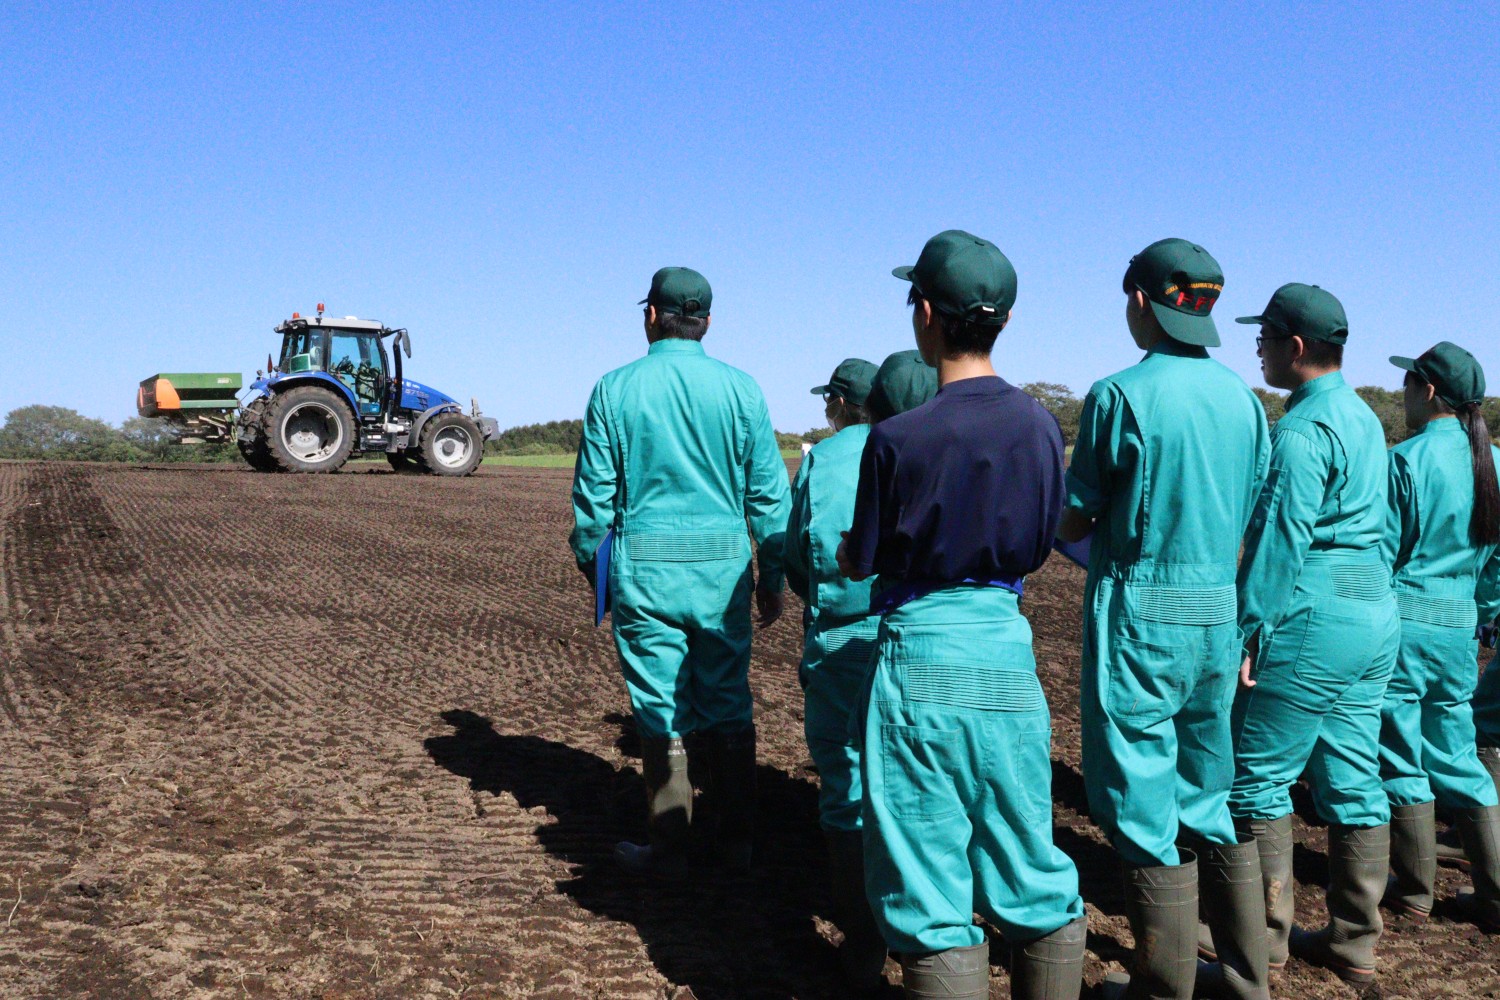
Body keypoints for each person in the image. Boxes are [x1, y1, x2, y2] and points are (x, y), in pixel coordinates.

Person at [838, 230, 1087, 1000]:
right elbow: (1049, 535)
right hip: (1007, 646)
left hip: (921, 650)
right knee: (1028, 857)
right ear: (1003, 322)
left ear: (923, 314)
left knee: (928, 878)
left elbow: (863, 558)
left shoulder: (896, 436)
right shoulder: (1043, 425)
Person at [1058, 239, 1270, 1000]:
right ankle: (1247, 978)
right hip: (1218, 612)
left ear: (1141, 301)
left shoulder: (1120, 395)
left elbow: (1077, 519)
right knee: (1209, 794)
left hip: (1144, 614)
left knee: (1144, 806)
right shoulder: (1246, 401)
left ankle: (1161, 987)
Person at [569, 266, 790, 877]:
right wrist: (771, 577)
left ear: (650, 316)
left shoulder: (614, 388)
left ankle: (670, 849)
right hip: (723, 573)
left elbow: (594, 504)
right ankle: (736, 845)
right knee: (727, 701)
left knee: (659, 706)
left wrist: (601, 575)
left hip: (646, 571)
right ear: (708, 322)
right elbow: (770, 498)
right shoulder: (743, 389)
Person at [1229, 284, 1400, 985]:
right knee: (1355, 775)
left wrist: (1247, 629)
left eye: (1263, 337)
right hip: (1373, 608)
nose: (1258, 349)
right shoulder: (1364, 418)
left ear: (1293, 346)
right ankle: (1355, 945)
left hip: (1313, 609)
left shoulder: (1299, 429)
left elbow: (1280, 537)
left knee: (1255, 779)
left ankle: (1261, 948)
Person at [784, 352, 936, 993]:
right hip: (926, 634)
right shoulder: (929, 443)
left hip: (844, 640)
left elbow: (799, 554)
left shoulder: (827, 457)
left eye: (830, 402)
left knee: (846, 784)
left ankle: (862, 944)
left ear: (847, 404)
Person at [1378, 341, 1500, 933]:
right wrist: (1484, 612)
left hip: (1404, 623)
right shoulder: (1496, 461)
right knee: (1457, 751)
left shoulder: (1406, 458)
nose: (1403, 395)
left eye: (1408, 384)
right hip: (1460, 628)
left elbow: (1383, 553)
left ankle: (1415, 891)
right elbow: (1497, 566)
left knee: (1402, 750)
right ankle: (1495, 891)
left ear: (1428, 390)